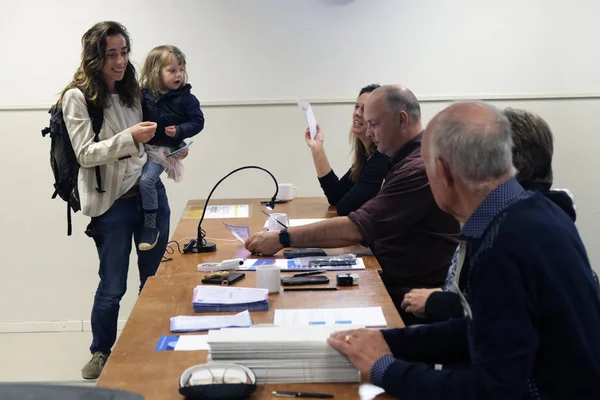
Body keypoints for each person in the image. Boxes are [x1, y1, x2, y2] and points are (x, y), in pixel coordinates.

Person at [327, 101, 600, 399]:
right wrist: (390, 341)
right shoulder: (536, 211)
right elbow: (480, 329)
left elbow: (493, 391)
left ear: (442, 172)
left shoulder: (500, 247)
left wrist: (384, 368)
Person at [246, 85, 459, 325]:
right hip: (385, 273)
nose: (368, 131)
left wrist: (282, 238)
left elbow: (357, 226)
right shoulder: (403, 158)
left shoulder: (418, 168)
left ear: (401, 119)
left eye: (374, 124)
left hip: (406, 293)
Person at [60, 21, 185, 379]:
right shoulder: (76, 97)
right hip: (111, 204)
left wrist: (173, 150)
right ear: (94, 57)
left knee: (154, 281)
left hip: (150, 198)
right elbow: (85, 153)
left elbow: (147, 144)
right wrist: (130, 137)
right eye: (110, 54)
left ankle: (155, 346)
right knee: (113, 285)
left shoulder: (134, 90)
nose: (119, 61)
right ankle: (101, 352)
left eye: (124, 52)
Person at [401, 108, 578, 322]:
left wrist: (437, 303)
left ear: (516, 167)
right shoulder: (531, 214)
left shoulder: (511, 230)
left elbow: (491, 326)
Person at [138, 45, 205, 250]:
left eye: (181, 69)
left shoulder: (185, 98)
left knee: (147, 181)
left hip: (163, 151)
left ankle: (150, 225)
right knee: (143, 181)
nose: (179, 75)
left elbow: (198, 121)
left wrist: (179, 131)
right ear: (155, 72)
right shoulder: (143, 96)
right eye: (172, 70)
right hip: (142, 148)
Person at [304, 84, 389, 216]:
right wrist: (317, 148)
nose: (356, 113)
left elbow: (345, 207)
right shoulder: (367, 156)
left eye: (364, 109)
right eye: (356, 107)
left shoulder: (382, 158)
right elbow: (335, 196)